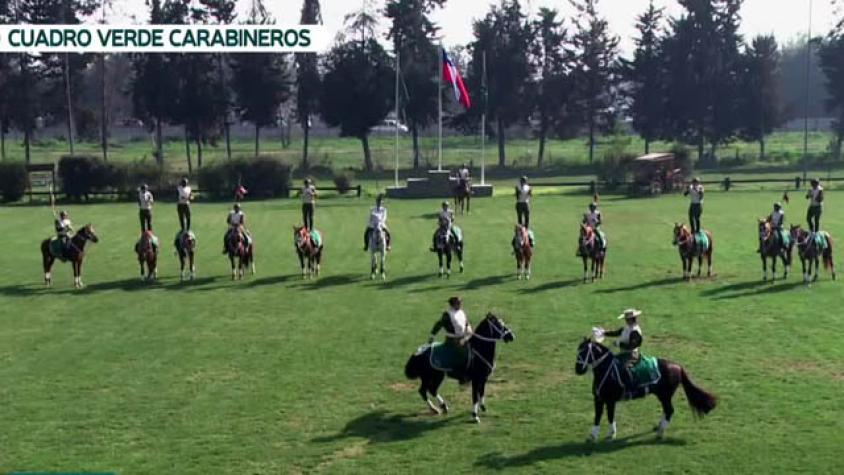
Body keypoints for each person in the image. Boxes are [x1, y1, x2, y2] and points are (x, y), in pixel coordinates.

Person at [429, 296, 473, 382]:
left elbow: (466, 323)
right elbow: (439, 324)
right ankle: (459, 375)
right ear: (453, 305)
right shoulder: (447, 315)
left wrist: (469, 331)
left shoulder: (461, 312)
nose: (460, 304)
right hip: (452, 340)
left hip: (463, 338)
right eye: (458, 303)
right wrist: (432, 336)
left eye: (460, 303)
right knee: (461, 354)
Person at [601, 308, 644, 390]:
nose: (626, 321)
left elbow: (631, 346)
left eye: (627, 319)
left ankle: (631, 387)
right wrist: (603, 332)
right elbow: (616, 333)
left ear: (631, 319)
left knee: (625, 369)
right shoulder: (627, 327)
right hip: (623, 354)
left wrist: (618, 344)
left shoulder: (635, 330)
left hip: (631, 355)